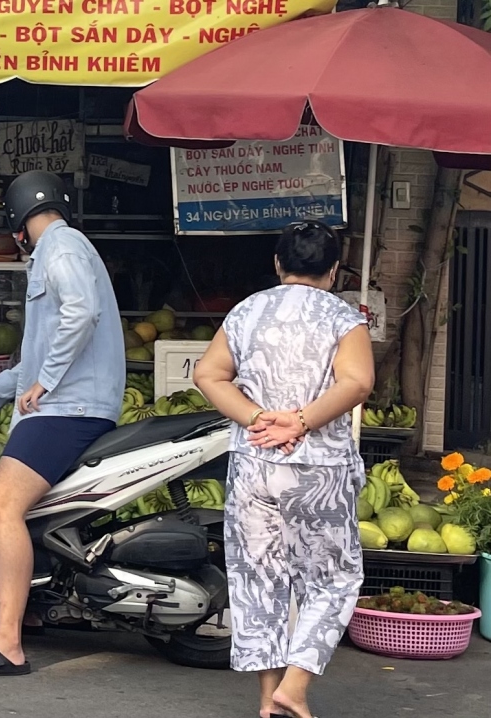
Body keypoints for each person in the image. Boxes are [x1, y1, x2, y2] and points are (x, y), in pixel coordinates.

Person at [0, 171, 125, 677]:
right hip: (68, 403)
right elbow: (34, 359)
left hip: (71, 408)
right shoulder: (65, 246)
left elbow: (81, 315)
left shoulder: (60, 247)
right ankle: (35, 608)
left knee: (2, 504)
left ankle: (7, 644)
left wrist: (44, 382)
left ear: (18, 226)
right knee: (26, 511)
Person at [193, 220, 374, 718]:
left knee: (258, 580)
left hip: (254, 464)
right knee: (333, 580)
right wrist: (300, 421)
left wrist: (257, 416)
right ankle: (294, 689)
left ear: (278, 265)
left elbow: (208, 374)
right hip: (319, 470)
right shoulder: (344, 318)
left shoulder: (247, 311)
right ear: (334, 270)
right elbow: (357, 383)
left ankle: (267, 702)